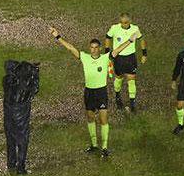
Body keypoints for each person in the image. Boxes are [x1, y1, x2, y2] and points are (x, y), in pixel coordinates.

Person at [49, 25, 141, 158]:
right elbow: (70, 48)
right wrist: (57, 36)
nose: (93, 50)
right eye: (91, 47)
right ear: (89, 48)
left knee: (103, 120)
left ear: (100, 48)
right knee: (90, 118)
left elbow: (118, 50)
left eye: (96, 47)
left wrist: (131, 41)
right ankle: (94, 145)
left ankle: (104, 147)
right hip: (89, 93)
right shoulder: (84, 57)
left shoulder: (105, 58)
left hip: (101, 93)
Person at [105, 13, 146, 112]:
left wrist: (144, 54)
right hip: (119, 59)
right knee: (118, 78)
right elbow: (107, 37)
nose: (124, 25)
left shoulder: (135, 29)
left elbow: (141, 39)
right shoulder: (115, 28)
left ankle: (132, 103)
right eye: (122, 23)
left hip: (131, 58)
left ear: (130, 21)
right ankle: (118, 97)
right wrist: (107, 53)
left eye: (126, 23)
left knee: (131, 80)